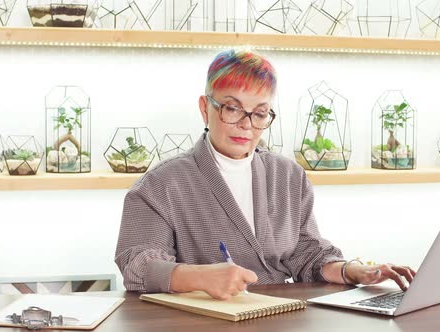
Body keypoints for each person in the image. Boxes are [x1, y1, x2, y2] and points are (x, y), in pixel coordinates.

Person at [115, 49, 416, 300]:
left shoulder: (288, 176)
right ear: (205, 108)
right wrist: (200, 277)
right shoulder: (159, 185)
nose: (246, 125)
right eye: (232, 109)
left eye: (259, 113)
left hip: (278, 315)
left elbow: (306, 252)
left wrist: (351, 269)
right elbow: (136, 265)